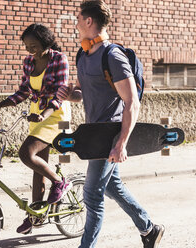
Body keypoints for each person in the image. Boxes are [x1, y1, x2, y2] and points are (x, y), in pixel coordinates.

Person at [57, 1, 165, 247]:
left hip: (110, 136)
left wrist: (122, 143)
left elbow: (132, 102)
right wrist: (69, 95)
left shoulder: (112, 55)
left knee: (92, 195)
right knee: (112, 186)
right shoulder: (83, 55)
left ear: (89, 22)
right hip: (92, 135)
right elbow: (84, 93)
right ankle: (149, 229)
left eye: (78, 19)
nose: (75, 24)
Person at [0, 23, 72, 235]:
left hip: (56, 115)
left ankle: (60, 182)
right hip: (36, 114)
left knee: (26, 153)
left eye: (33, 45)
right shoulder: (28, 62)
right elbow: (24, 91)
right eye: (26, 46)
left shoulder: (59, 59)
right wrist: (1, 104)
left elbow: (61, 93)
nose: (29, 49)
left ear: (45, 42)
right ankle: (36, 215)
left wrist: (44, 114)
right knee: (37, 168)